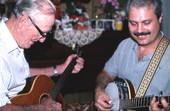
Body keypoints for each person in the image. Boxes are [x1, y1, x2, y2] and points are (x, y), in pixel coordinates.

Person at [0, 0, 84, 110]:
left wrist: (59, 69)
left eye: (46, 33)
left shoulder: (14, 37)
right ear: (23, 21)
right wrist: (43, 108)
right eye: (41, 32)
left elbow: (19, 73)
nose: (43, 40)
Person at [94, 0, 170, 111]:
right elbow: (106, 74)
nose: (139, 30)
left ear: (160, 17)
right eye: (133, 23)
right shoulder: (125, 45)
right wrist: (99, 91)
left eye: (146, 22)